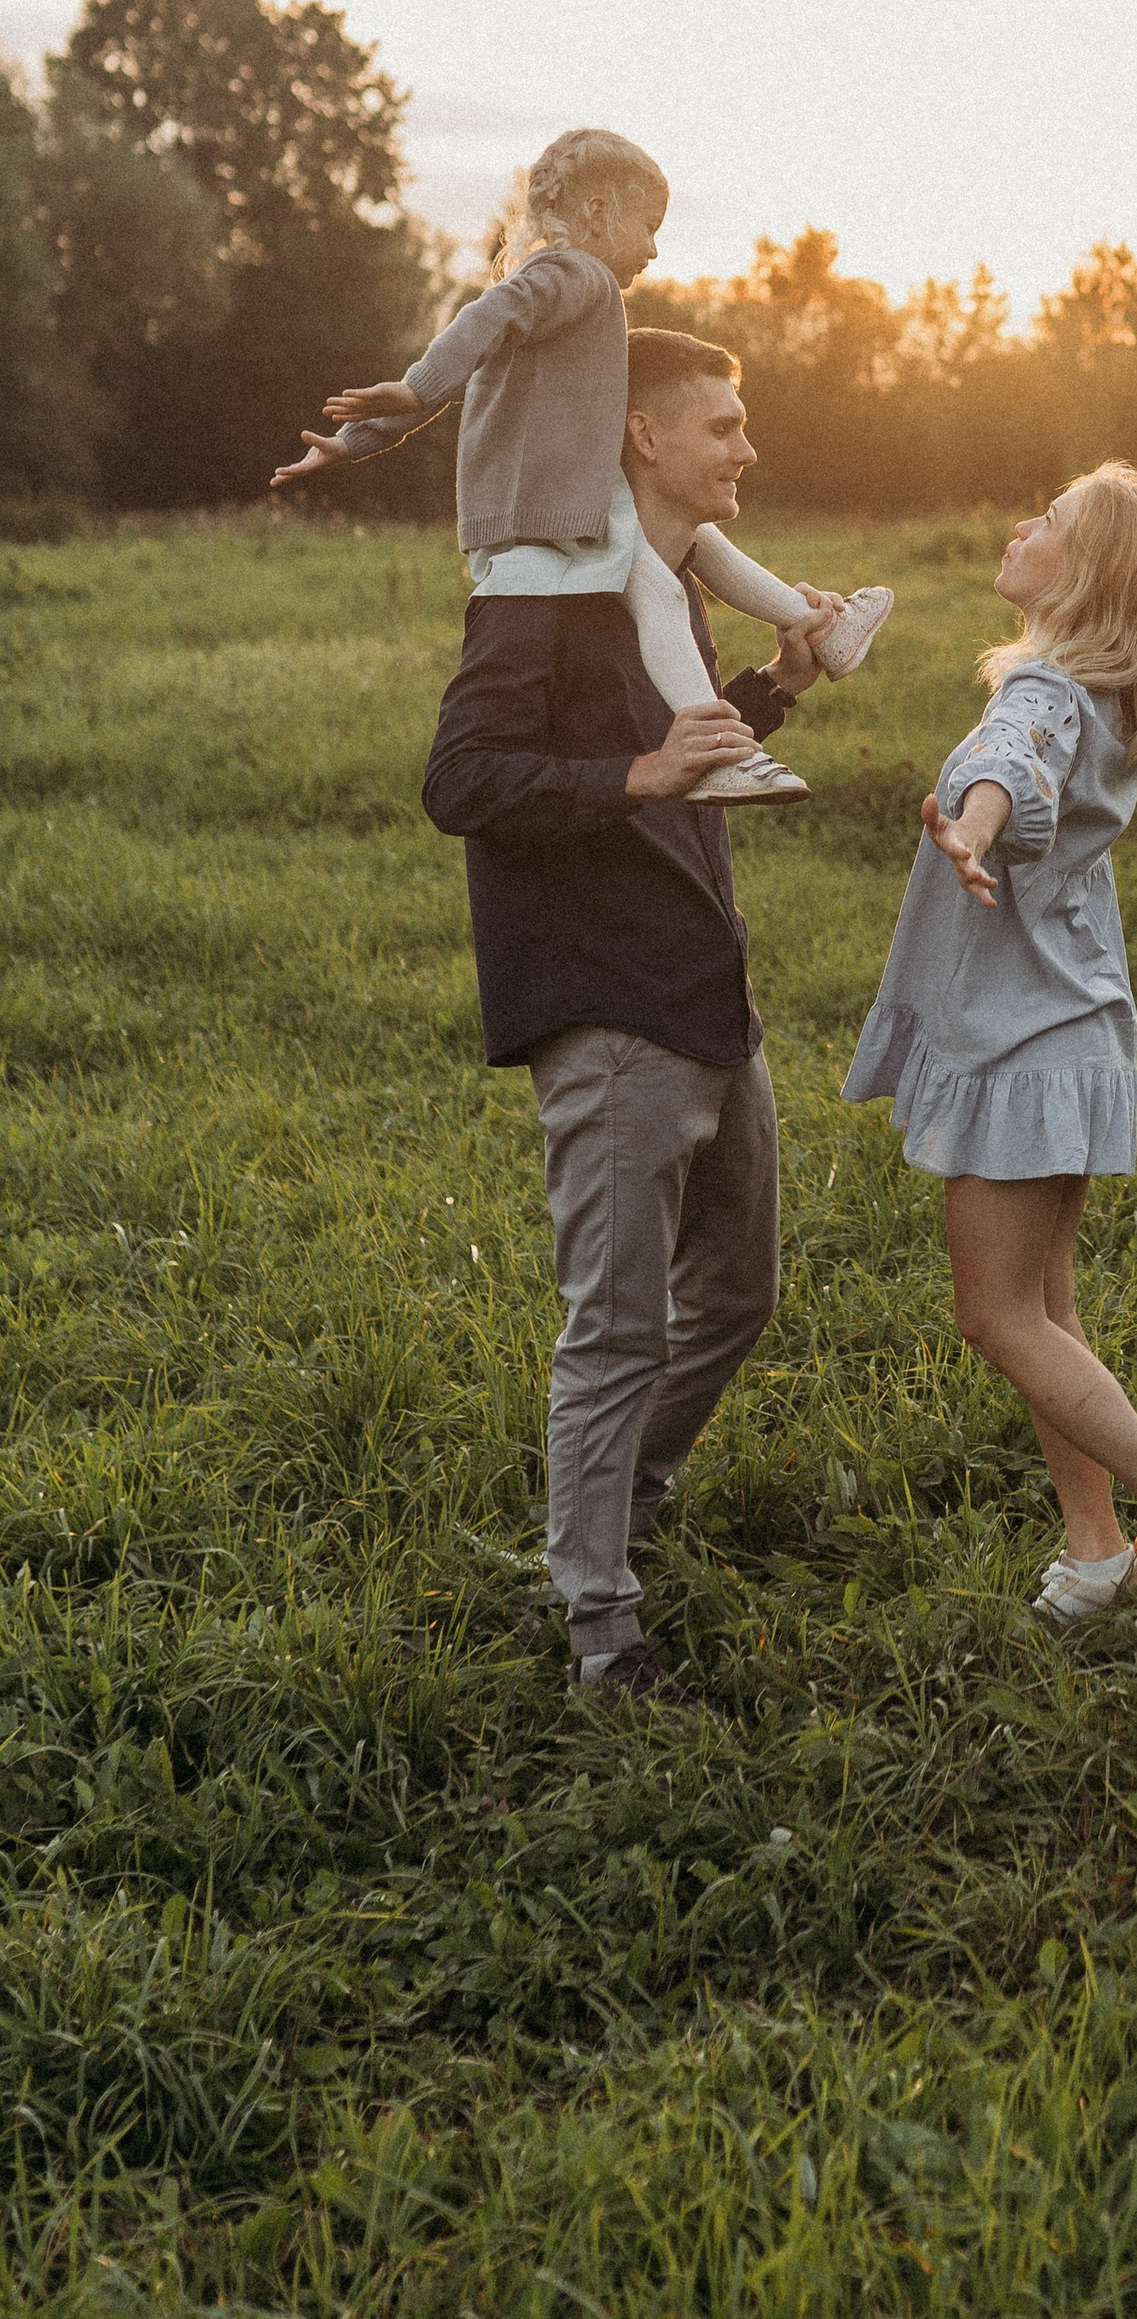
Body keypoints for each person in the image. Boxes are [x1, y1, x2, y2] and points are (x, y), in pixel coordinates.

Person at [422, 328, 827, 1705]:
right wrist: (643, 773)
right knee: (617, 1328)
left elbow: (684, 756)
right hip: (604, 1000)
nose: (746, 446)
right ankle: (601, 1630)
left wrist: (774, 689)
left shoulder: (673, 581)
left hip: (706, 986)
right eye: (723, 423)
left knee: (739, 1293)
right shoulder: (537, 592)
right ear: (642, 435)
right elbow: (461, 780)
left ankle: (619, 1505)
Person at [842, 460, 1137, 1643]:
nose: (1019, 526)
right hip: (1073, 1027)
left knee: (997, 1316)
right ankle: (1095, 1553)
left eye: (1049, 522)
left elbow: (1010, 758)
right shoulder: (1134, 688)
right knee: (1044, 1305)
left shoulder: (1044, 691)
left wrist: (972, 825)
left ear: (1082, 579)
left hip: (1023, 1040)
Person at [274, 124, 892, 804]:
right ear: (598, 212)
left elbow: (473, 370)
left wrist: (358, 440)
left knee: (700, 545)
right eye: (649, 225)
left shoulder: (560, 311)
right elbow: (487, 317)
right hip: (560, 505)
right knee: (659, 592)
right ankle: (726, 744)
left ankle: (820, 630)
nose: (654, 248)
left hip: (569, 499)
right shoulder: (578, 274)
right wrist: (418, 387)